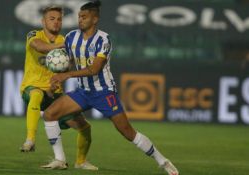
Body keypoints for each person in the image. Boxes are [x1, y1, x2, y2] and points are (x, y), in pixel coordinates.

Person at [42, 1, 179, 174]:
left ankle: (163, 162)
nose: (80, 19)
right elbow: (69, 63)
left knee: (127, 132)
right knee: (49, 114)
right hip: (83, 92)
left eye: (84, 17)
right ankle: (60, 160)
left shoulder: (103, 39)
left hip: (103, 92)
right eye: (79, 16)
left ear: (95, 19)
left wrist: (66, 75)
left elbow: (95, 69)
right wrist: (58, 79)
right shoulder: (70, 37)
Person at [19, 6, 97, 170]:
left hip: (55, 94)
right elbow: (40, 47)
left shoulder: (64, 40)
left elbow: (69, 68)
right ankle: (30, 139)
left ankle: (81, 161)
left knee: (84, 127)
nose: (56, 22)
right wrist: (63, 46)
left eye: (59, 19)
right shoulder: (34, 35)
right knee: (36, 95)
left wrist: (69, 65)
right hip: (31, 87)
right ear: (43, 21)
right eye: (52, 18)